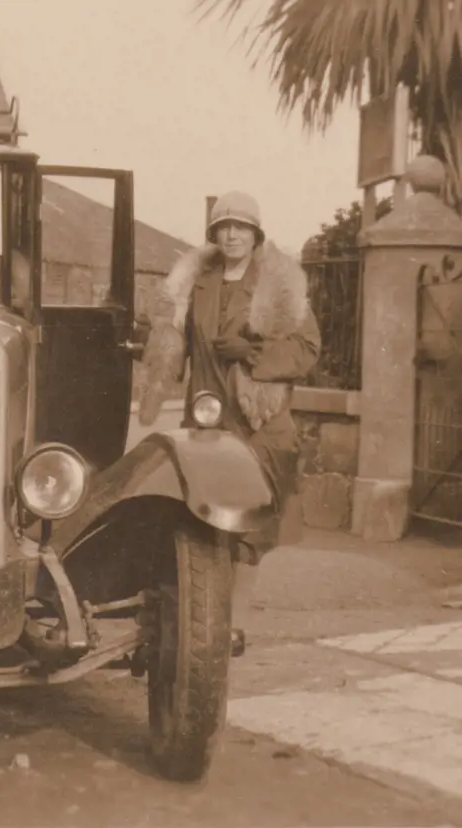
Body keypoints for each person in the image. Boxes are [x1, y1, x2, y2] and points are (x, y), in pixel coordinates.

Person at [138, 190, 321, 653]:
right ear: (214, 235)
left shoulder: (281, 287)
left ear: (256, 233)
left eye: (241, 227)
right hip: (207, 412)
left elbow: (308, 350)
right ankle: (201, 618)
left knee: (252, 524)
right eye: (224, 227)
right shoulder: (195, 283)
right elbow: (169, 341)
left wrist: (254, 354)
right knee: (200, 515)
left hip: (258, 419)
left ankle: (233, 625)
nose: (232, 234)